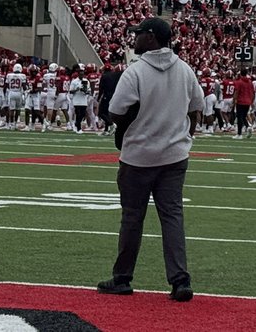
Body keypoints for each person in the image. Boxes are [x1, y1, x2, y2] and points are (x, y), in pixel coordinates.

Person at [98, 17, 203, 301]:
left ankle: (122, 277)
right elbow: (197, 108)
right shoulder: (185, 69)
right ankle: (180, 280)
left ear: (152, 38)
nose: (135, 37)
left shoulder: (136, 72)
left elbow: (116, 111)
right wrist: (185, 137)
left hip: (139, 156)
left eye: (140, 33)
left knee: (132, 218)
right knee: (172, 217)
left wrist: (133, 120)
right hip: (174, 155)